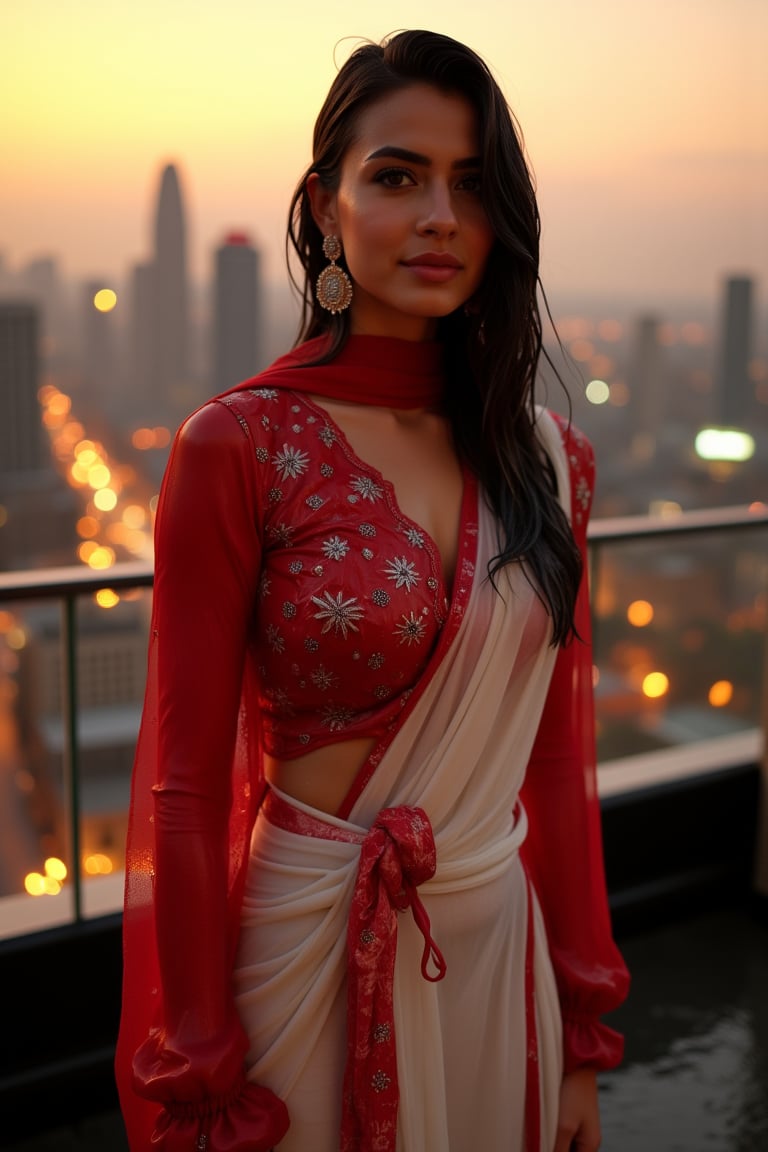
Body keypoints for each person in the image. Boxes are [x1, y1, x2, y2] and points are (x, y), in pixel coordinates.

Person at [115, 28, 630, 1152]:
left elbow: (551, 756)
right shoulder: (239, 444)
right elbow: (189, 792)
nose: (441, 214)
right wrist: (203, 1064)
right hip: (304, 953)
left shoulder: (549, 461)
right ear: (325, 204)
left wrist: (581, 1036)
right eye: (398, 176)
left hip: (494, 957)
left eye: (473, 184)